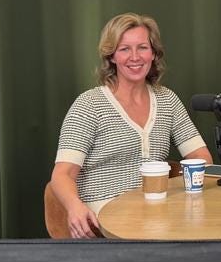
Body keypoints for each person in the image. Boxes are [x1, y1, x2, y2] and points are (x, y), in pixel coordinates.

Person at [51, 13, 212, 238]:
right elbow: (62, 175)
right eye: (124, 49)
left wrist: (180, 193)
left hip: (156, 213)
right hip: (104, 216)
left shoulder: (167, 100)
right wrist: (74, 207)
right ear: (112, 56)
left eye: (142, 48)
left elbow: (201, 157)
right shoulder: (89, 105)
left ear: (153, 53)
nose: (134, 57)